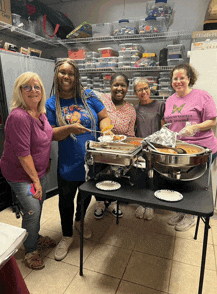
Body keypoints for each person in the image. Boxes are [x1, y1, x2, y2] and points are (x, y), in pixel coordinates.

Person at [46, 58, 112, 261]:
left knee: (86, 195)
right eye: (62, 72)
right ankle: (66, 235)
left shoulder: (89, 96)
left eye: (70, 73)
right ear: (57, 75)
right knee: (66, 200)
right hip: (68, 162)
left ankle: (79, 222)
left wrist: (107, 131)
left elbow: (104, 117)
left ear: (76, 77)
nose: (66, 76)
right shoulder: (52, 103)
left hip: (91, 160)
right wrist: (69, 128)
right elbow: (52, 134)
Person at [0, 72, 56, 270]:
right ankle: (30, 250)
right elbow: (24, 154)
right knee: (32, 210)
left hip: (37, 171)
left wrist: (46, 161)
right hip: (20, 174)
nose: (33, 90)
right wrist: (36, 182)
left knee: (37, 205)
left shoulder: (40, 113)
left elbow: (44, 138)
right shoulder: (19, 117)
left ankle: (34, 236)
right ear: (19, 91)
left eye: (37, 87)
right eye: (27, 87)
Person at [164, 63, 217, 231]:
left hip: (202, 148)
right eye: (175, 78)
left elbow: (213, 121)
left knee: (195, 184)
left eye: (182, 78)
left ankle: (191, 215)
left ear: (189, 79)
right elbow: (170, 123)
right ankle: (182, 211)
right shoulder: (170, 99)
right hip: (180, 149)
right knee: (181, 182)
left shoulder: (202, 96)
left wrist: (195, 127)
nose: (178, 81)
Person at [93, 73, 136, 219]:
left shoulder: (131, 109)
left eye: (123, 85)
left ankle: (112, 203)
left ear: (127, 88)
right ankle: (99, 203)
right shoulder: (102, 100)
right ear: (110, 86)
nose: (119, 88)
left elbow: (130, 134)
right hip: (101, 149)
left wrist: (130, 153)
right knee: (98, 175)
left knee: (115, 177)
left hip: (120, 152)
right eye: (116, 85)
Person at [133, 77, 165, 220]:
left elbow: (164, 128)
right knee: (141, 176)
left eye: (146, 88)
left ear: (150, 88)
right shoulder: (135, 109)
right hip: (141, 148)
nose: (144, 91)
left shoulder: (160, 105)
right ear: (135, 93)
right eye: (140, 90)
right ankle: (142, 203)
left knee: (155, 177)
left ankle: (151, 204)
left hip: (156, 148)